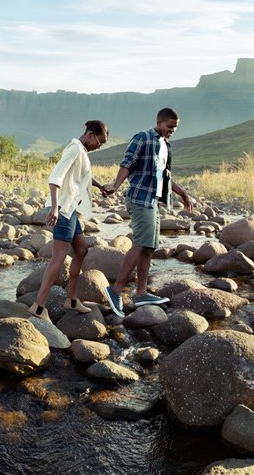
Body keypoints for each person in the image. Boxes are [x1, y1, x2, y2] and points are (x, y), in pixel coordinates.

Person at [102, 107, 194, 316]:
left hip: (153, 201)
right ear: (160, 122)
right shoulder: (143, 138)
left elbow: (166, 177)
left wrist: (183, 193)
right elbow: (127, 164)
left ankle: (141, 293)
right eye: (170, 126)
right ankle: (115, 289)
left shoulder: (165, 146)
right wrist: (116, 186)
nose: (173, 130)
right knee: (141, 243)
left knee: (149, 247)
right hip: (139, 199)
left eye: (175, 127)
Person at [28, 120, 110, 318]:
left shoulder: (81, 152)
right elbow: (55, 177)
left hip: (70, 210)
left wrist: (100, 186)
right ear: (90, 134)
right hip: (63, 209)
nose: (98, 146)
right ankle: (38, 306)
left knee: (81, 249)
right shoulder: (74, 149)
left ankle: (71, 300)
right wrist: (55, 208)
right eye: (99, 142)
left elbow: (83, 176)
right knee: (59, 256)